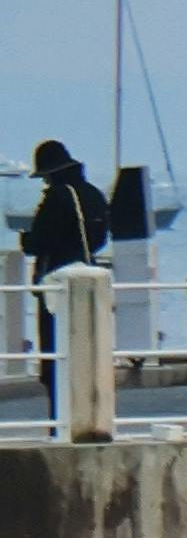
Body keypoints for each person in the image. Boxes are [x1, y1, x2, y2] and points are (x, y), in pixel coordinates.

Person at [16, 138, 111, 408]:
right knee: (85, 356)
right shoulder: (93, 195)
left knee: (55, 358)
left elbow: (40, 242)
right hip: (88, 280)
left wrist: (26, 240)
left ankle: (60, 420)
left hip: (55, 286)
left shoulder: (58, 198)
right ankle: (85, 414)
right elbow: (100, 239)